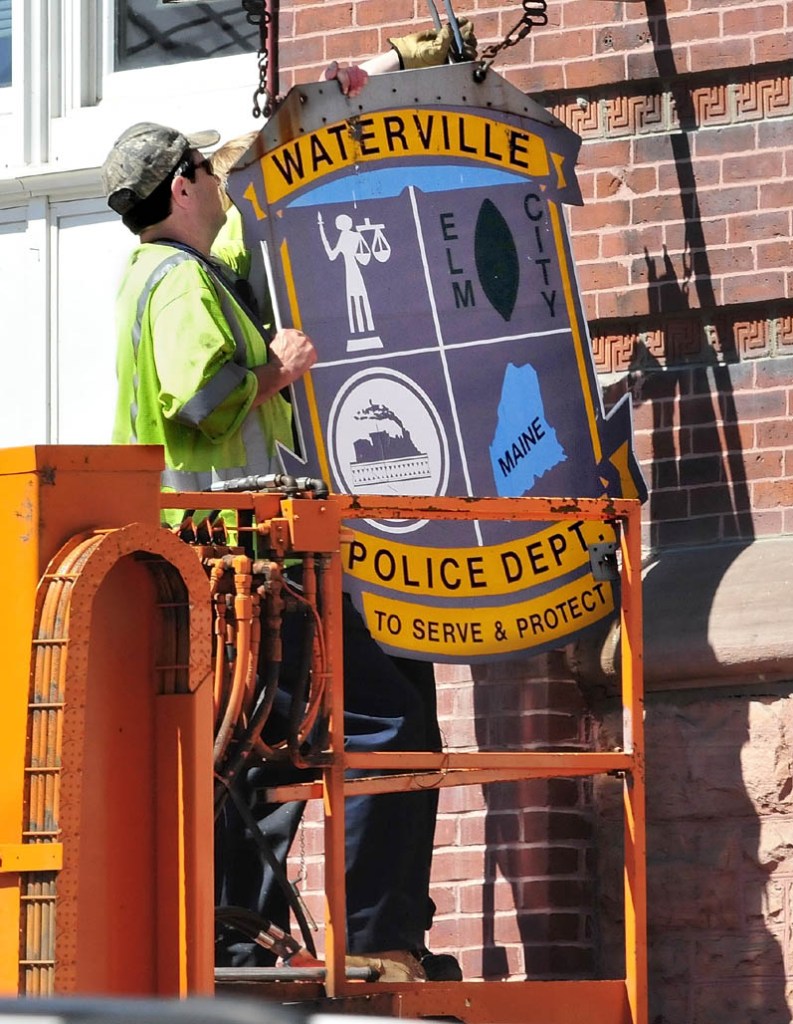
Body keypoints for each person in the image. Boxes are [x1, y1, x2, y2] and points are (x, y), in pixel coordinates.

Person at [103, 22, 475, 983]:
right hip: (246, 553)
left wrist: (383, 70)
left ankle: (237, 934)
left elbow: (247, 152)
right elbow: (199, 395)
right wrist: (274, 368)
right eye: (205, 173)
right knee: (386, 718)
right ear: (179, 188)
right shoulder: (180, 282)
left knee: (258, 745)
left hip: (221, 558)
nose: (220, 182)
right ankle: (380, 938)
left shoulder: (154, 272)